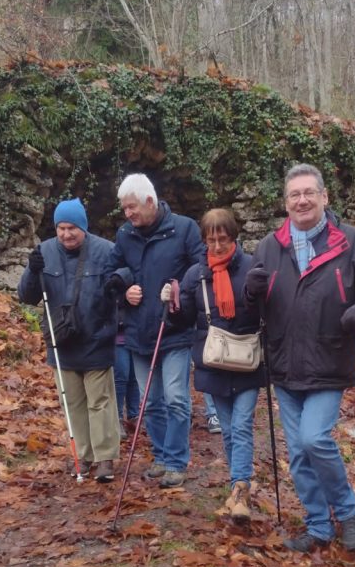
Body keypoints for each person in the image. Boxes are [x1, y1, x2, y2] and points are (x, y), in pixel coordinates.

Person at [244, 163, 355, 553]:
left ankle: (346, 515)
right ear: (286, 202)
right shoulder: (269, 246)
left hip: (330, 358)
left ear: (325, 197)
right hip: (284, 362)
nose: (302, 200)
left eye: (309, 192)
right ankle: (318, 527)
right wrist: (251, 291)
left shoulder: (350, 240)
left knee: (315, 439)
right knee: (297, 453)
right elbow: (254, 304)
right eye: (294, 195)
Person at [162, 208, 264, 525]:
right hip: (215, 362)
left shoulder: (251, 268)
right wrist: (172, 303)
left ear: (233, 237)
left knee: (242, 425)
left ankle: (240, 489)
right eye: (211, 240)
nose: (217, 246)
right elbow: (183, 320)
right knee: (230, 430)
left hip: (247, 360)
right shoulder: (197, 274)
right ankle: (239, 485)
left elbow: (266, 310)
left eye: (222, 239)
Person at [105, 173, 203, 488]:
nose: (128, 214)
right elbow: (110, 273)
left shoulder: (185, 229)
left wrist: (178, 291)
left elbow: (202, 269)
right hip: (138, 332)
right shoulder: (124, 234)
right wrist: (124, 289)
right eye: (124, 209)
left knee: (175, 397)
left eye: (132, 207)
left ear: (150, 201)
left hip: (174, 328)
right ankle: (160, 456)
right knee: (150, 401)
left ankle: (176, 461)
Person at [18, 198, 120, 482]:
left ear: (83, 227)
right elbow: (27, 296)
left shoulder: (106, 251)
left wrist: (119, 283)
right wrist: (32, 269)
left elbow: (121, 285)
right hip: (62, 342)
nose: (66, 234)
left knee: (99, 401)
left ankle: (105, 459)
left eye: (72, 228)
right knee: (72, 402)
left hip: (96, 339)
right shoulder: (45, 252)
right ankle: (83, 456)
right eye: (61, 228)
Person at [114, 299, 140, 440]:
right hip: (117, 335)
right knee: (120, 377)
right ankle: (116, 418)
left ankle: (134, 415)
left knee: (134, 377)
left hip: (135, 333)